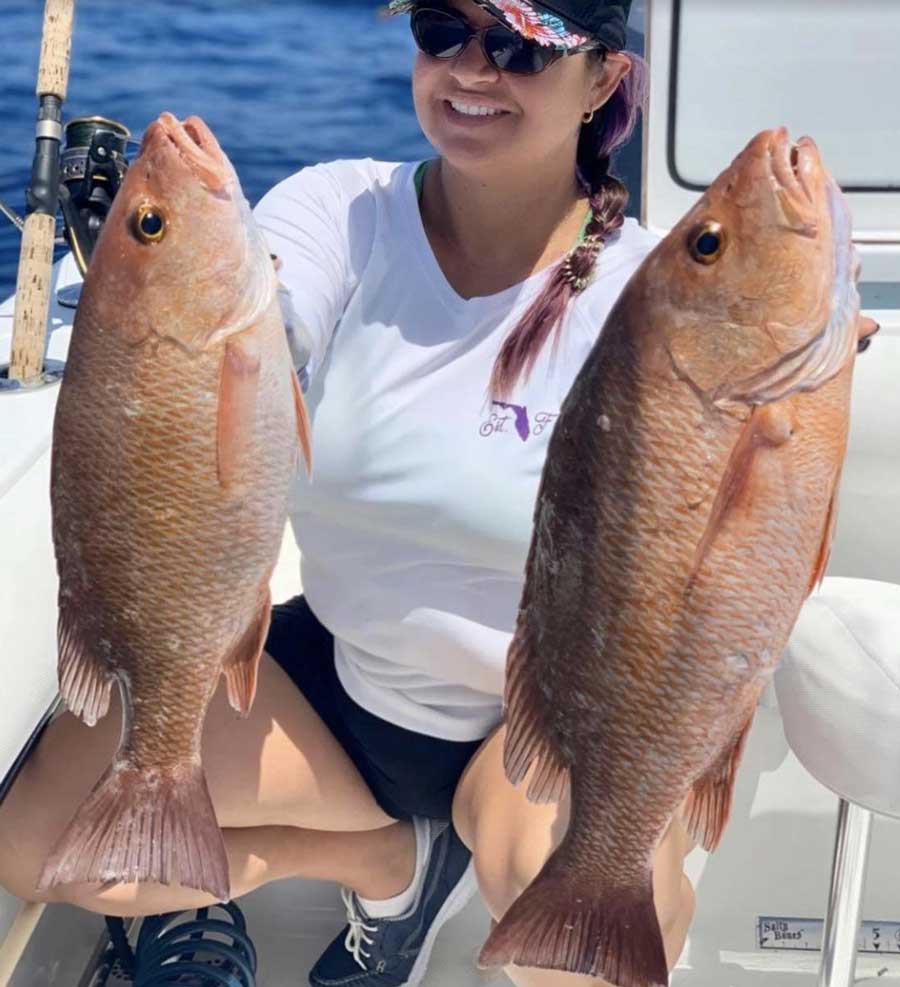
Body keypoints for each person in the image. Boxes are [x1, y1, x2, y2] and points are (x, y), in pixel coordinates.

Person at [0, 0, 697, 984]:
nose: (473, 69)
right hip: (333, 688)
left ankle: (417, 857)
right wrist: (176, 307)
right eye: (441, 32)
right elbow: (270, 317)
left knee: (601, 930)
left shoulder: (654, 297)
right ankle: (385, 864)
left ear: (605, 81)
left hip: (532, 723)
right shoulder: (342, 209)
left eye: (519, 48)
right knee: (38, 848)